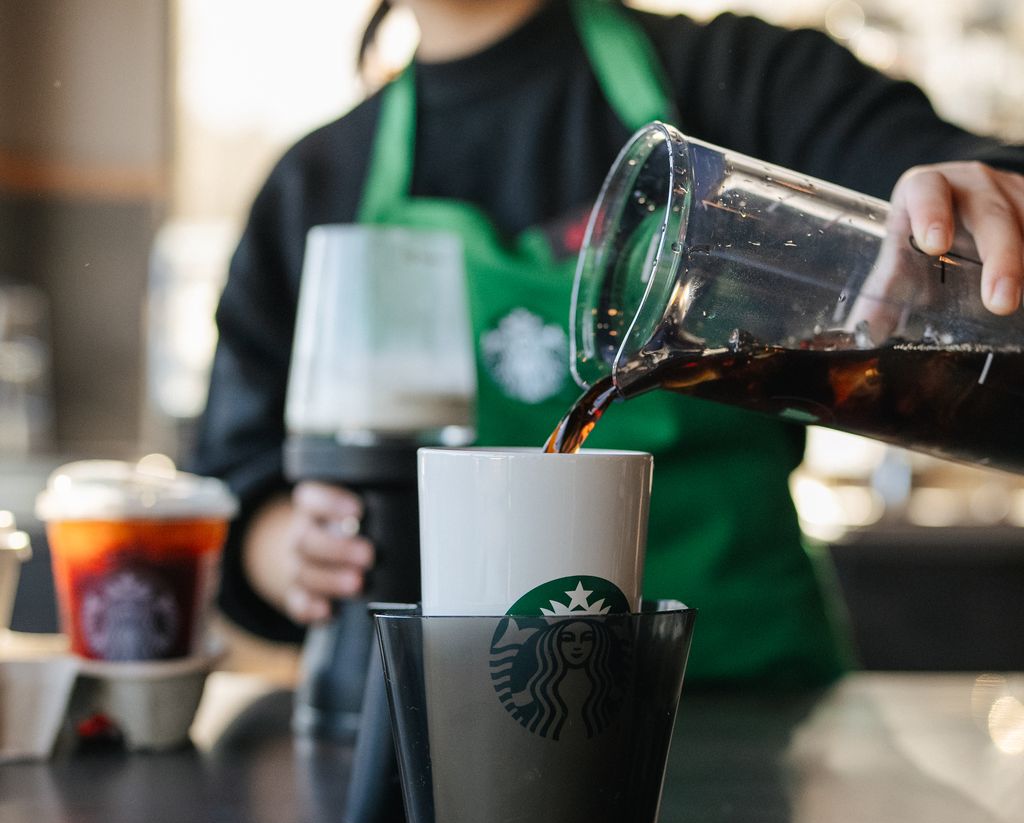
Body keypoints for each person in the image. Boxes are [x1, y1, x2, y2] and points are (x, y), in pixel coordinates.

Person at [191, 0, 1024, 689]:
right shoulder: (316, 184)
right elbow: (234, 490)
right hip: (449, 739)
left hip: (754, 711)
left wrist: (991, 187)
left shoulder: (735, 80)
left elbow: (947, 170)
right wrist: (288, 551)